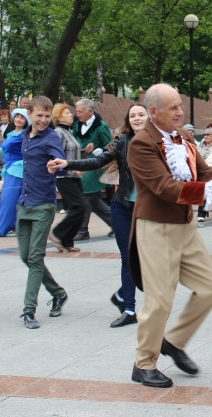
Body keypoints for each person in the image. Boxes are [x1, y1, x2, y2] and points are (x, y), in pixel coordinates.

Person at [126, 83, 212, 388]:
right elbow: (165, 188)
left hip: (186, 226)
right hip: (156, 227)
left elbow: (204, 171)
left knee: (210, 287)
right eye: (173, 108)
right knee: (159, 301)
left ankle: (173, 341)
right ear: (153, 111)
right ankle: (143, 363)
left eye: (180, 106)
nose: (180, 112)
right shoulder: (141, 144)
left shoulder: (183, 137)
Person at [49, 103, 148, 327]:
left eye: (141, 114)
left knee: (150, 260)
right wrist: (67, 163)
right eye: (132, 115)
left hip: (148, 210)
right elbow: (97, 161)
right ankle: (130, 309)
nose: (137, 118)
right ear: (128, 120)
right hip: (123, 208)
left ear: (150, 118)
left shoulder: (160, 143)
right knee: (128, 258)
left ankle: (122, 295)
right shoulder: (122, 141)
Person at [15, 96, 69, 329]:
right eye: (39, 115)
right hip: (23, 203)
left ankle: (29, 310)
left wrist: (56, 166)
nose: (43, 120)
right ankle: (58, 292)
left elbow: (61, 162)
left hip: (44, 205)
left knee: (35, 257)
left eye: (47, 116)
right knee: (25, 256)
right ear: (30, 114)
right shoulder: (24, 137)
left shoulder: (51, 137)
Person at [72, 99, 113, 240]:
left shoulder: (101, 126)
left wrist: (97, 150)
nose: (77, 114)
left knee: (85, 192)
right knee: (94, 201)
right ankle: (116, 223)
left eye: (80, 112)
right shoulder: (77, 126)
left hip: (96, 166)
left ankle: (82, 230)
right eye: (76, 111)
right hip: (82, 164)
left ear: (90, 112)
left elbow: (110, 146)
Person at [46, 103, 85, 250]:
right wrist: (71, 169)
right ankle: (57, 233)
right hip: (65, 177)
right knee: (79, 207)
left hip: (74, 176)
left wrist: (84, 152)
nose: (71, 115)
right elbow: (57, 154)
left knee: (81, 208)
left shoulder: (69, 131)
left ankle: (67, 242)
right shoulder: (58, 132)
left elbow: (72, 153)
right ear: (59, 116)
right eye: (67, 113)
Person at [0, 108, 29, 237]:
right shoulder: (11, 133)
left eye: (22, 117)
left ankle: (7, 228)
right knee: (8, 199)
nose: (18, 119)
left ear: (26, 121)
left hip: (18, 169)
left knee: (10, 199)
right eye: (17, 117)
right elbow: (4, 151)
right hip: (9, 168)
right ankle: (9, 227)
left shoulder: (24, 134)